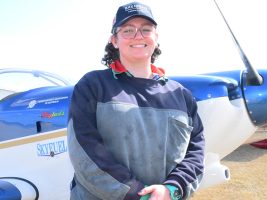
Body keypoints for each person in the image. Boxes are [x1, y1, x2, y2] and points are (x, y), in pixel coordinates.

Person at [67, 1, 205, 200]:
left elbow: (196, 150)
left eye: (146, 30)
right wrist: (138, 194)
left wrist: (172, 189)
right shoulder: (92, 85)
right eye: (128, 30)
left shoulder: (181, 95)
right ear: (114, 40)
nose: (138, 36)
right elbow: (84, 152)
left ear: (156, 38)